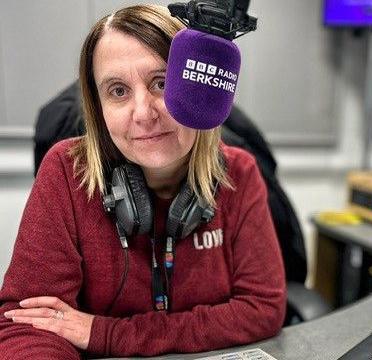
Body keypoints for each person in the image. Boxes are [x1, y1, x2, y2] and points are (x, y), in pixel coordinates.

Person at [0, 4, 286, 358]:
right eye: (118, 91)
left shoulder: (238, 173)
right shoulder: (66, 171)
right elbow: (28, 325)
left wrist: (107, 333)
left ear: (195, 89)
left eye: (162, 83)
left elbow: (264, 308)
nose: (143, 113)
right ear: (98, 107)